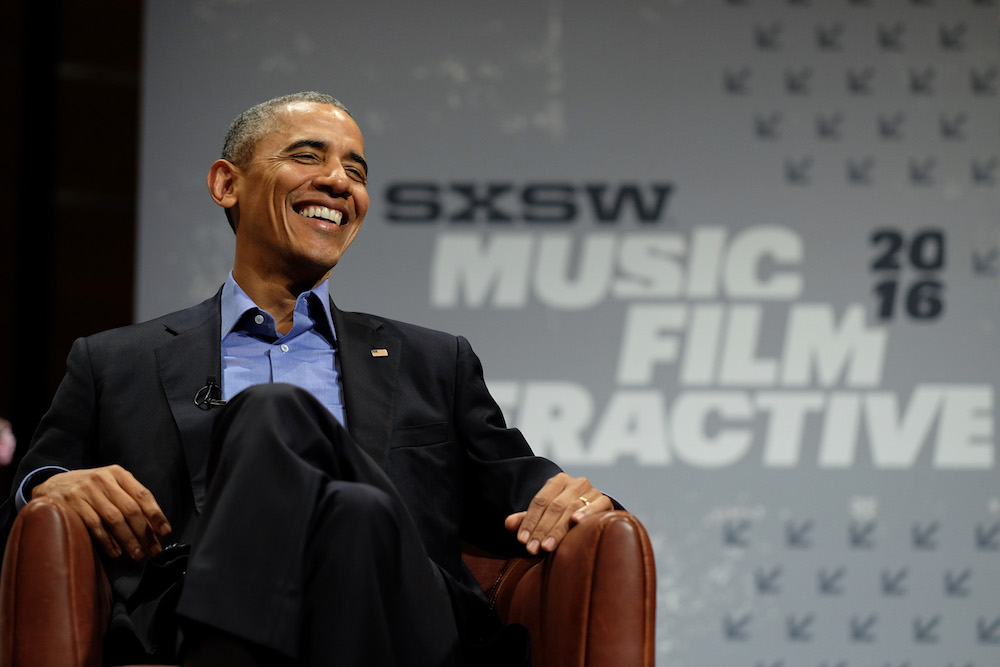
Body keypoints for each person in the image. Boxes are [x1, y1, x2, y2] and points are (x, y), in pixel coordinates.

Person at [0, 92, 615, 666]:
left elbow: (526, 487)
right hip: (188, 611)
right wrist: (48, 486)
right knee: (351, 507)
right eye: (307, 156)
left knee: (276, 417)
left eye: (356, 171)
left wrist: (586, 501)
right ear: (226, 184)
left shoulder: (433, 361)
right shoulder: (115, 362)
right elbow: (22, 504)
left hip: (399, 614)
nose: (339, 182)